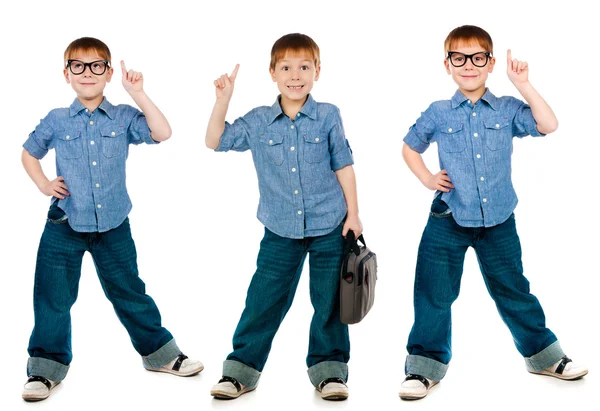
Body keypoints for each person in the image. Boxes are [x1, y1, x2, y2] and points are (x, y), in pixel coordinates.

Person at [399, 25, 588, 400]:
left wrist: (524, 85)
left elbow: (548, 125)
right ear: (447, 64)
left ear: (490, 63)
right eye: (459, 58)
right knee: (433, 293)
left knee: (514, 290)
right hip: (448, 218)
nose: (468, 65)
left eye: (477, 58)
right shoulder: (438, 112)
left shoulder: (506, 108)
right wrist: (427, 179)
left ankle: (543, 356)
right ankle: (423, 367)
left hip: (499, 220)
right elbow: (409, 148)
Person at [21, 37, 203, 402]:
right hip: (64, 224)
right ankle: (45, 368)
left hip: (114, 226)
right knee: (52, 297)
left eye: (96, 65)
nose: (87, 72)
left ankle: (160, 355)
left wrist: (138, 93)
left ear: (107, 72)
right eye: (78, 65)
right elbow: (28, 153)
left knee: (129, 292)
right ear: (66, 73)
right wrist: (43, 184)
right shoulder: (57, 119)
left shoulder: (121, 117)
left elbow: (162, 132)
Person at [205, 33, 362, 401]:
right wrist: (222, 101)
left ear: (317, 72)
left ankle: (329, 372)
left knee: (329, 302)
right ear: (272, 73)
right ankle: (240, 370)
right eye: (287, 67)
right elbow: (215, 140)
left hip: (330, 226)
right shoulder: (259, 121)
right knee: (263, 300)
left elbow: (344, 165)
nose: (296, 75)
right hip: (279, 230)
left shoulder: (328, 116)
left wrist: (354, 214)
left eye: (304, 67)